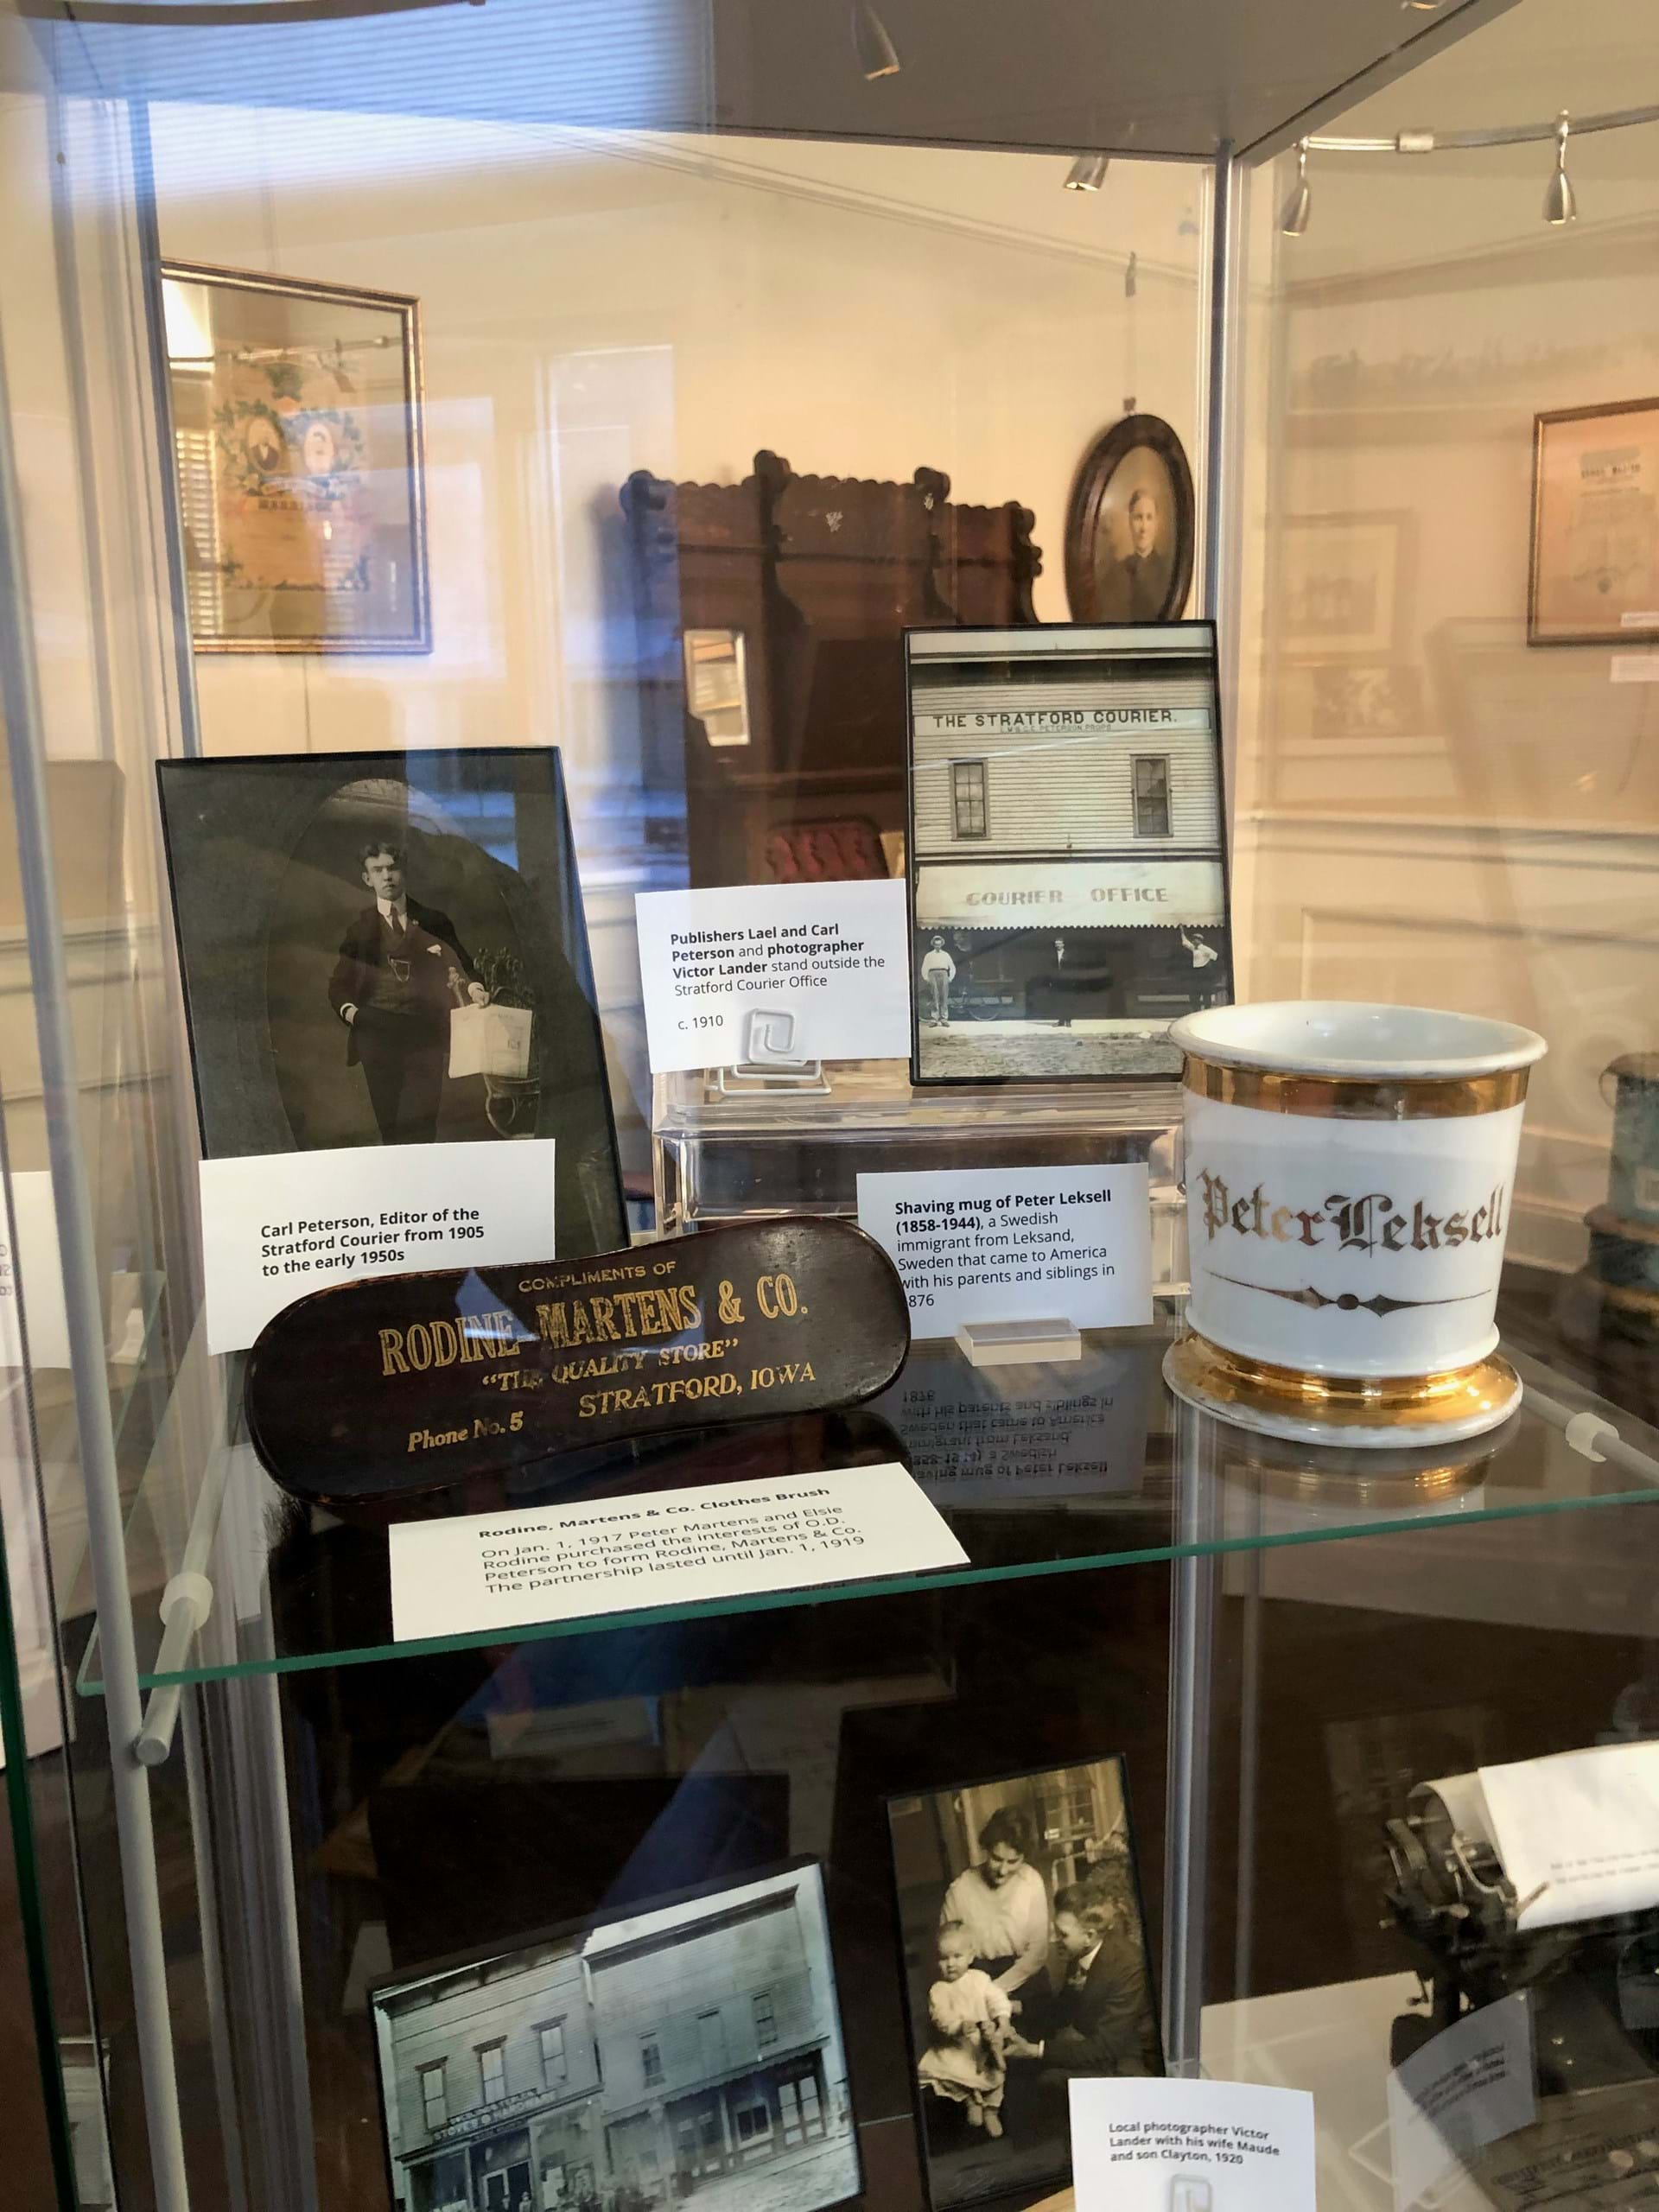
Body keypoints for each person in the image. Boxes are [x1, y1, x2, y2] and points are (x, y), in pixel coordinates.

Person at [327, 839, 489, 1145]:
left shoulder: (433, 921)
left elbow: (466, 966)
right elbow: (339, 986)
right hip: (375, 1035)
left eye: (392, 868)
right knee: (390, 1132)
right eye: (378, 870)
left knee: (423, 1127)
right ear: (367, 879)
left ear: (404, 872)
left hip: (424, 1033)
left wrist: (476, 989)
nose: (387, 877)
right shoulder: (359, 930)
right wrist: (356, 1016)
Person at [1004, 1872, 1160, 2081]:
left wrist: (1035, 2050)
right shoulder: (1081, 1951)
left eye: (1062, 1934)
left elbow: (1106, 2047)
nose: (1054, 1939)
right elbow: (1065, 2008)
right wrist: (1017, 2007)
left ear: (1089, 1936)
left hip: (1132, 2061)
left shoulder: (1129, 1967)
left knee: (1046, 2079)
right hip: (1102, 2047)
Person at [939, 1806, 1052, 2022]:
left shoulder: (1031, 1882)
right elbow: (948, 1950)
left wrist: (994, 1991)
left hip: (1026, 1980)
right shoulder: (960, 1890)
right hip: (975, 1981)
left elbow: (1037, 1952)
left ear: (1023, 1857)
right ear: (986, 1849)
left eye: (1013, 1862)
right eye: (996, 1858)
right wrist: (977, 1992)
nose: (1003, 1870)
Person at [917, 1919, 1014, 2139]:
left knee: (997, 2074)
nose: (950, 1964)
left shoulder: (980, 1980)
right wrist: (959, 2025)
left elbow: (996, 1998)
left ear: (970, 1956)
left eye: (957, 1956)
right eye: (944, 1958)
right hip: (956, 2045)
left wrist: (1003, 2020)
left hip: (982, 2045)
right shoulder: (939, 1990)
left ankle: (991, 2110)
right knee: (951, 2074)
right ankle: (970, 2099)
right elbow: (940, 2017)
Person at [1102, 485, 1173, 621]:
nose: (1144, 528)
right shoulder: (1115, 573)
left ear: (1156, 524)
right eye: (1138, 518)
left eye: (1149, 518)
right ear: (1130, 522)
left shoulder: (1166, 574)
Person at [919, 934, 957, 1027]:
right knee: (934, 996)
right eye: (936, 945)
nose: (938, 946)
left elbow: (952, 967)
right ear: (933, 945)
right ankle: (934, 1019)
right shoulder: (929, 955)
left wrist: (950, 977)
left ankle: (944, 1019)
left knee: (944, 996)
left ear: (942, 945)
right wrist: (926, 977)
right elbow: (925, 967)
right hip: (933, 974)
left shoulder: (945, 955)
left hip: (943, 974)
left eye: (939, 945)